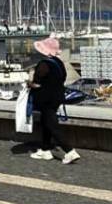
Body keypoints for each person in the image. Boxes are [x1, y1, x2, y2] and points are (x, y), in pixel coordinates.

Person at [28, 36, 79, 164]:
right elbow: (61, 79)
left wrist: (29, 83)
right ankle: (45, 150)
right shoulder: (59, 63)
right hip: (57, 97)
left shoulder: (44, 64)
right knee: (46, 123)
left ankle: (69, 151)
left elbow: (36, 82)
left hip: (45, 98)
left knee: (52, 125)